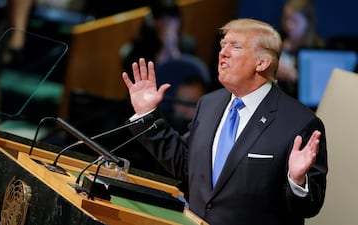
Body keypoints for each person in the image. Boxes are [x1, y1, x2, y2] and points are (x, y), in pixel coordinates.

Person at [121, 18, 327, 225]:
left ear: (262, 62)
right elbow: (187, 164)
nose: (223, 53)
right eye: (223, 45)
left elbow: (310, 206)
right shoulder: (209, 104)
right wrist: (147, 115)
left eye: (235, 47)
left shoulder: (299, 123)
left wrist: (297, 181)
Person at [276, 0, 325, 98]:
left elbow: (319, 86)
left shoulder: (318, 48)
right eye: (286, 19)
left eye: (294, 20)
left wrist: (294, 77)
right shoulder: (276, 39)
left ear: (308, 21)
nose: (288, 25)